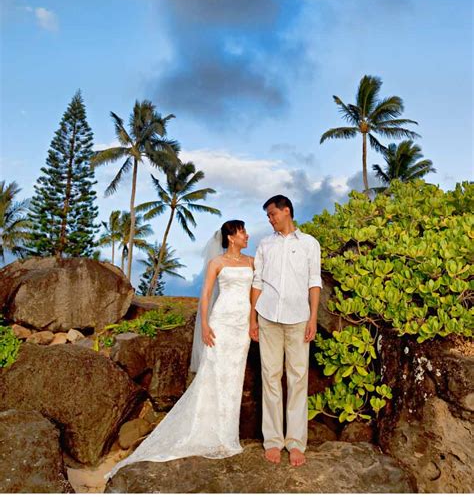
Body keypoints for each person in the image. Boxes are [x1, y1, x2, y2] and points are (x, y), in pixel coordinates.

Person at [106, 220, 253, 479]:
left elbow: (256, 293)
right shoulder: (216, 263)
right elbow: (206, 295)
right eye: (242, 232)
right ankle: (208, 432)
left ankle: (227, 435)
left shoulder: (252, 262)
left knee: (234, 378)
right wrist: (205, 325)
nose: (247, 235)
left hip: (241, 326)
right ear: (231, 236)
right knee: (213, 377)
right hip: (220, 322)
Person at [250, 195, 322, 468]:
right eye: (268, 216)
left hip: (298, 319)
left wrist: (313, 317)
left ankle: (295, 442)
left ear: (286, 211)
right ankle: (272, 441)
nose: (270, 219)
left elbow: (314, 282)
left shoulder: (309, 244)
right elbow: (257, 282)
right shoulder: (265, 244)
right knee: (270, 377)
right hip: (268, 316)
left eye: (272, 214)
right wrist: (253, 319)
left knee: (298, 379)